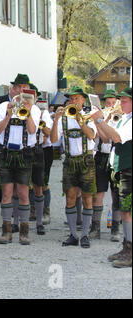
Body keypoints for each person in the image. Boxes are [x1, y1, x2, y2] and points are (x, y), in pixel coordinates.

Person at [0, 78, 41, 245]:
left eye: (24, 88)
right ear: (12, 89)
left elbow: (33, 130)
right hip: (6, 152)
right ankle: (6, 231)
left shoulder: (34, 108)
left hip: (24, 152)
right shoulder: (2, 106)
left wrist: (27, 112)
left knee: (23, 193)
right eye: (18, 87)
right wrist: (8, 114)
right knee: (6, 193)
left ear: (28, 90)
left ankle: (24, 231)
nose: (21, 90)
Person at [51, 86, 97, 248]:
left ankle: (85, 234)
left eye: (76, 98)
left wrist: (79, 120)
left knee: (87, 198)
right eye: (71, 99)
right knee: (70, 197)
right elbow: (54, 141)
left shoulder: (88, 117)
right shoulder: (64, 118)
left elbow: (91, 135)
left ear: (83, 100)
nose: (73, 101)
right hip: (70, 161)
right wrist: (56, 119)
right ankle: (73, 234)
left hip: (86, 160)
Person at [91, 87, 132, 268]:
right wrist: (100, 122)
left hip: (129, 168)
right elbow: (106, 138)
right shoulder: (124, 119)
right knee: (124, 210)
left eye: (124, 101)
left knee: (128, 211)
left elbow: (116, 138)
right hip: (121, 167)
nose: (119, 104)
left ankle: (130, 251)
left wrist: (99, 119)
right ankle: (126, 246)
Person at [89, 89, 120, 241]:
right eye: (108, 103)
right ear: (103, 104)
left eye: (114, 103)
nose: (111, 105)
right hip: (101, 157)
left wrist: (107, 120)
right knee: (99, 193)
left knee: (116, 195)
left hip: (115, 158)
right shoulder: (99, 118)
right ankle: (95, 228)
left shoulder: (121, 119)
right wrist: (103, 119)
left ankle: (115, 229)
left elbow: (114, 137)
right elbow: (103, 138)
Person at [27, 85, 53, 235]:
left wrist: (41, 125)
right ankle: (32, 209)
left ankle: (45, 211)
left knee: (42, 183)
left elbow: (49, 133)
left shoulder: (43, 113)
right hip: (30, 148)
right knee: (28, 182)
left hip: (43, 150)